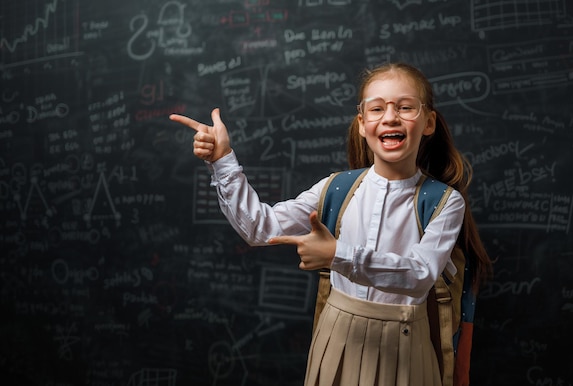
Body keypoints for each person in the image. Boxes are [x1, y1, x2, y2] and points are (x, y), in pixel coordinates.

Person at [170, 62, 492, 386]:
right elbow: (260, 228)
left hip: (407, 346)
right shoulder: (335, 189)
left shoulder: (445, 202)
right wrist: (223, 160)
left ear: (428, 122)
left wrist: (337, 254)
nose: (391, 117)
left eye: (405, 107)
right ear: (363, 124)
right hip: (338, 338)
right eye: (377, 108)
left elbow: (420, 274)